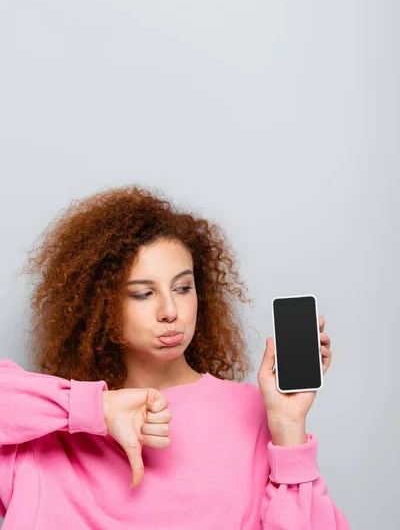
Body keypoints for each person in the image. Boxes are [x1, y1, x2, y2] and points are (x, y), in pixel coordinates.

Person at [0, 185, 350, 529]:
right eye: (142, 293)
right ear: (100, 306)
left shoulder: (254, 413)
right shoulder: (46, 432)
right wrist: (96, 409)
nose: (170, 310)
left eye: (183, 288)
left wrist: (288, 430)